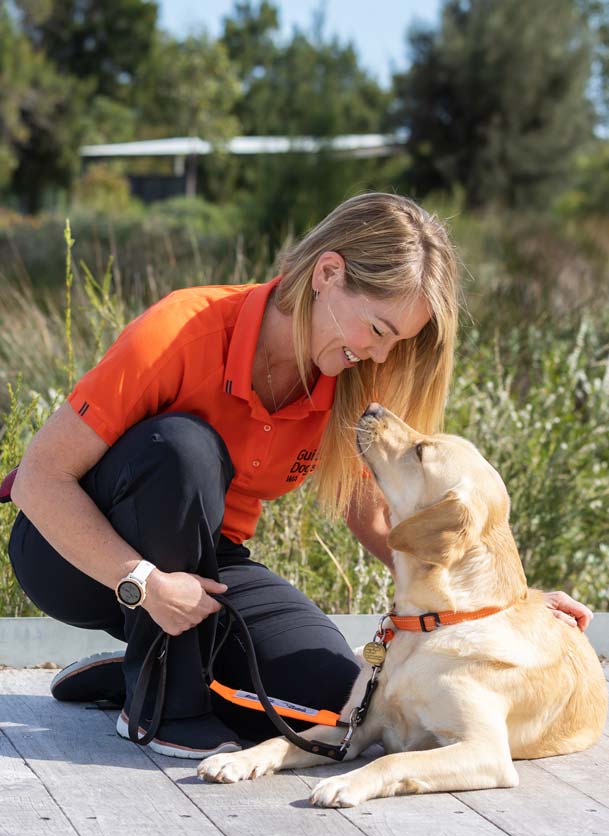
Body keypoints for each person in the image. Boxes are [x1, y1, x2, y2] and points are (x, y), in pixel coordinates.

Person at [5, 192, 592, 760]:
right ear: (327, 273)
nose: (381, 356)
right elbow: (39, 481)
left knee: (341, 706)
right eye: (380, 330)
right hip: (73, 555)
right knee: (183, 448)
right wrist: (145, 582)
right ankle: (164, 703)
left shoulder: (350, 375)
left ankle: (143, 667)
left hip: (208, 562)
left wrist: (506, 605)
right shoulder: (180, 331)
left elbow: (378, 519)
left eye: (398, 342)